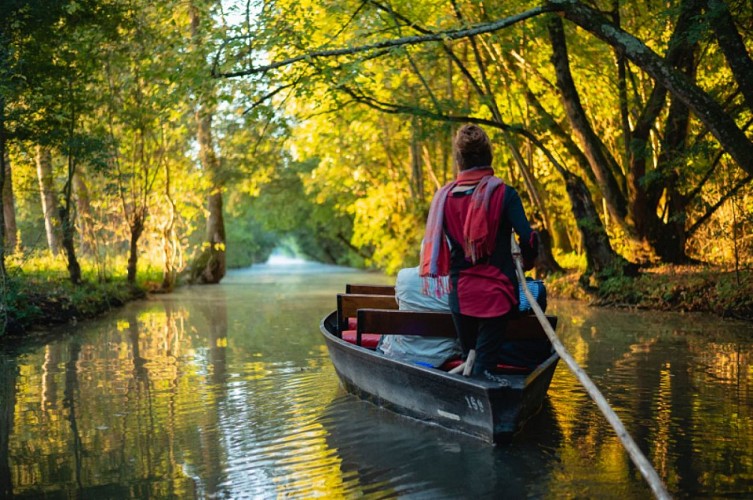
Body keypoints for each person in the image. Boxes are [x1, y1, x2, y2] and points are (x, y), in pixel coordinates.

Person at [420, 124, 539, 381]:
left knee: (471, 361)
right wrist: (528, 262)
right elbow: (528, 238)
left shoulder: (444, 197)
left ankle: (469, 397)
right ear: (489, 157)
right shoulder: (505, 194)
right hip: (497, 296)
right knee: (483, 370)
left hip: (460, 297)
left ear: (459, 160)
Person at [377, 266, 462, 367]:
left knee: (387, 333)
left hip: (402, 351)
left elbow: (398, 302)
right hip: (444, 354)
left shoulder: (404, 275)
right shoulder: (459, 280)